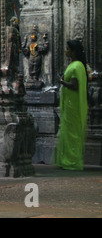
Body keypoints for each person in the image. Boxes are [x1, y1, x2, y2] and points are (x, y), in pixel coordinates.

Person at [55, 40, 88, 170]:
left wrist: (62, 81)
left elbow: (75, 86)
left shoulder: (75, 66)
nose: (66, 51)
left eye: (68, 49)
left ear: (73, 51)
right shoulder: (76, 65)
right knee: (70, 132)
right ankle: (67, 159)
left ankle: (72, 160)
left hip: (72, 105)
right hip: (71, 103)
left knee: (72, 133)